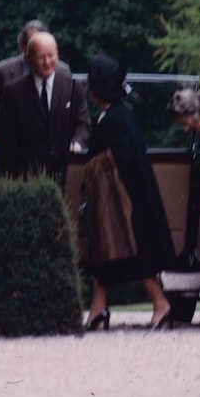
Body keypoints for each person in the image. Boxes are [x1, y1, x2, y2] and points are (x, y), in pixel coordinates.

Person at [82, 54, 176, 330]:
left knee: (134, 253)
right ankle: (98, 308)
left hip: (124, 201)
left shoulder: (113, 119)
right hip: (129, 196)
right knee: (106, 254)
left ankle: (161, 305)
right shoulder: (120, 114)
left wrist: (92, 164)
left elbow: (122, 156)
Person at [0, 31, 90, 189]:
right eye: (41, 57)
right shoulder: (13, 92)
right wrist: (10, 180)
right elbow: (5, 139)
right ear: (28, 58)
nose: (47, 62)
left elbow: (83, 124)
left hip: (66, 175)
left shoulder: (72, 87)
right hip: (27, 179)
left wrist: (76, 144)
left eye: (51, 56)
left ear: (57, 55)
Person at [0, 20, 55, 175]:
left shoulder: (61, 72)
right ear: (23, 46)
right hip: (13, 159)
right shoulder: (1, 73)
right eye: (33, 44)